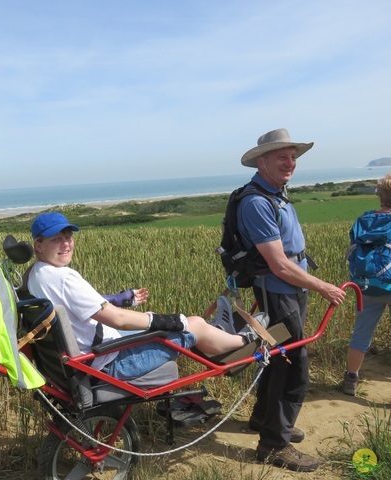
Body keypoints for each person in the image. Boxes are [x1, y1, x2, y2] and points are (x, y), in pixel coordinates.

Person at [25, 211, 266, 382]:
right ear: (38, 245)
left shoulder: (34, 276)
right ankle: (246, 341)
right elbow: (117, 319)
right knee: (194, 324)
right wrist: (166, 320)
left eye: (68, 236)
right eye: (56, 239)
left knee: (193, 323)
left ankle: (219, 332)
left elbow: (87, 304)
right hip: (106, 362)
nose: (66, 244)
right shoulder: (65, 278)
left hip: (87, 356)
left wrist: (122, 298)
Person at [236, 128, 346, 472]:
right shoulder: (257, 201)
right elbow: (280, 265)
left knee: (277, 357)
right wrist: (323, 287)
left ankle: (265, 419)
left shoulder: (275, 193)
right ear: (262, 161)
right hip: (278, 291)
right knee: (292, 363)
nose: (290, 162)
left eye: (293, 156)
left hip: (288, 291)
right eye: (282, 156)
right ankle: (274, 444)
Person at [342, 174, 391, 396]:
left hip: (367, 285)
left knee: (361, 334)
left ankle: (351, 380)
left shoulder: (364, 220)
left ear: (380, 197)